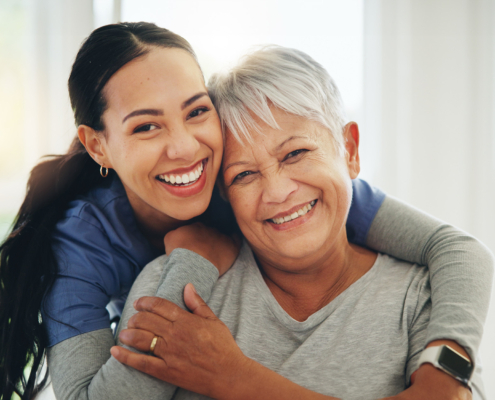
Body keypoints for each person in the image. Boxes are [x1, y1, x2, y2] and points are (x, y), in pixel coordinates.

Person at [0, 22, 491, 399]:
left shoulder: (270, 186)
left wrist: (446, 370)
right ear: (98, 146)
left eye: (195, 111)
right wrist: (192, 264)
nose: (185, 148)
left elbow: (454, 248)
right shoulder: (83, 245)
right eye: (146, 127)